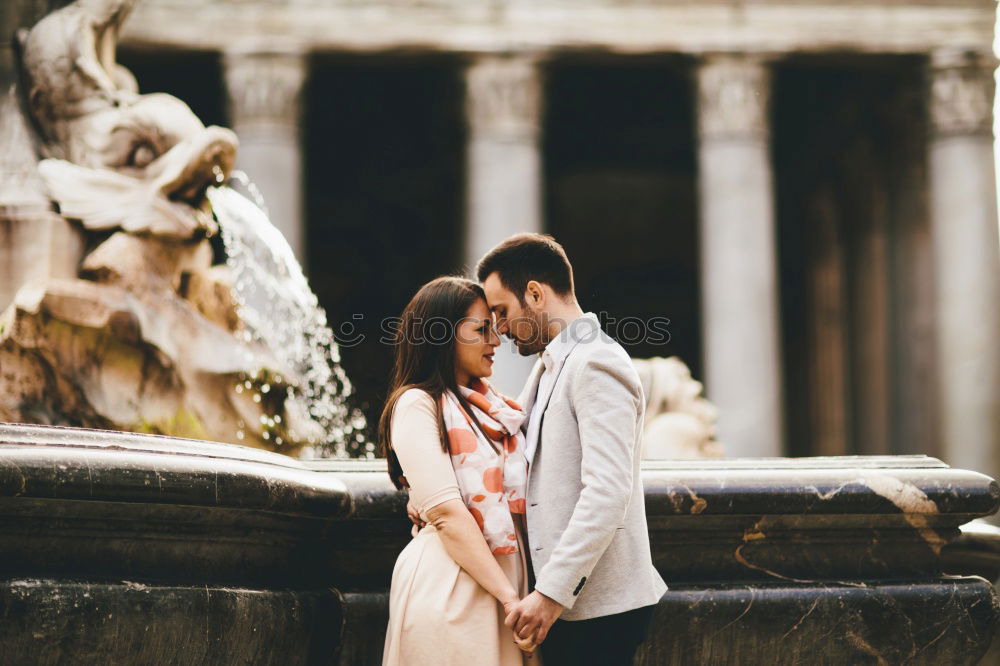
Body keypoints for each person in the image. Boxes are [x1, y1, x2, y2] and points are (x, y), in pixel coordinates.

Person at [477, 233, 667, 665]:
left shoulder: (596, 361)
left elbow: (607, 492)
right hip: (571, 608)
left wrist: (550, 594)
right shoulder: (551, 365)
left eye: (502, 311)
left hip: (599, 610)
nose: (499, 327)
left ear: (535, 294)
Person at [380, 276, 539, 665]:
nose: (496, 342)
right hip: (452, 590)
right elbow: (448, 514)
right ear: (442, 335)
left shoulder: (495, 410)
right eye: (482, 330)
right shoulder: (417, 404)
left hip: (502, 593)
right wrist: (510, 600)